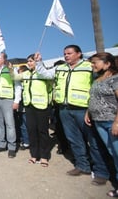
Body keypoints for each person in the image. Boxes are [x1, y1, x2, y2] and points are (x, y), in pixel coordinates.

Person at [35, 45, 110, 185]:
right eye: (64, 54)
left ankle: (101, 172)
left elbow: (99, 85)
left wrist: (91, 108)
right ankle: (83, 166)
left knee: (94, 142)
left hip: (84, 110)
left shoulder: (89, 67)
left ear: (79, 54)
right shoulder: (60, 68)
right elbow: (44, 74)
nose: (66, 56)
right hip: (65, 109)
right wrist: (39, 62)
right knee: (74, 139)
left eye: (69, 53)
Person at [84, 52, 118, 197]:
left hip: (112, 121)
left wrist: (117, 122)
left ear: (107, 63)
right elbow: (94, 97)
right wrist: (88, 112)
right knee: (112, 152)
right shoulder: (97, 79)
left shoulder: (115, 79)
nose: (93, 65)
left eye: (95, 62)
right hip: (98, 121)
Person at [12, 54, 52, 166]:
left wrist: (49, 103)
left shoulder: (43, 73)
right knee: (32, 131)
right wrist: (11, 69)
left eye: (31, 61)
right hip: (29, 106)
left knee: (42, 132)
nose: (29, 63)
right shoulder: (25, 73)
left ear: (37, 61)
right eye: (28, 61)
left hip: (42, 106)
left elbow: (50, 89)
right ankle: (34, 155)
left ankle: (44, 156)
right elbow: (14, 77)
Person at [14, 65, 30, 151]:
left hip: (24, 105)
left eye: (19, 71)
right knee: (20, 123)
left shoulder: (24, 81)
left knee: (24, 124)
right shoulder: (20, 81)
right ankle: (21, 139)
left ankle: (26, 142)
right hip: (20, 106)